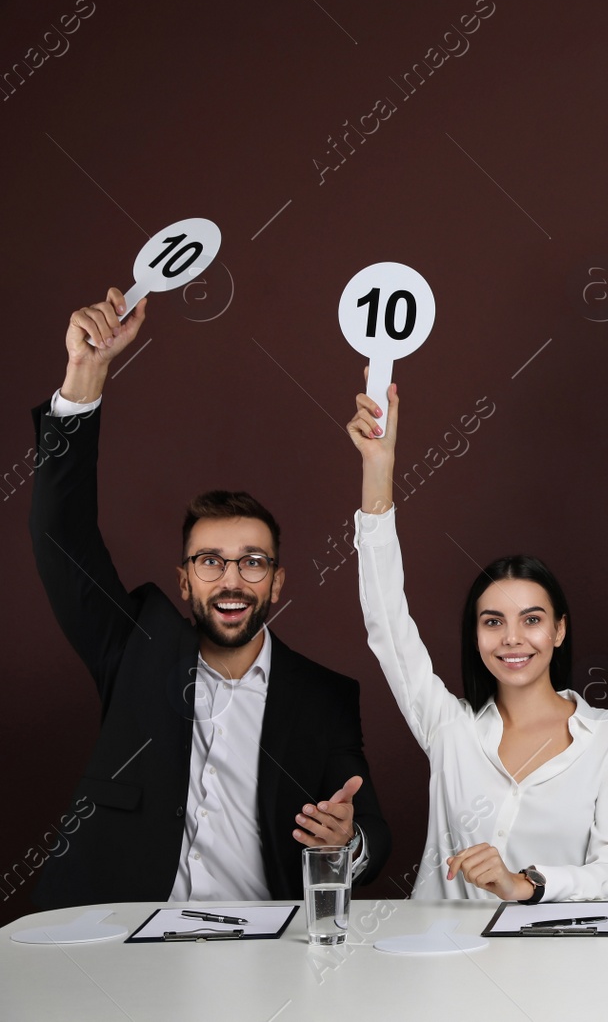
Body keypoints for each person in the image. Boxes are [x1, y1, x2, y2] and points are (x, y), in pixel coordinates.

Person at [27, 288, 391, 907]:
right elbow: (61, 536)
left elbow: (371, 832)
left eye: (253, 562)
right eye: (210, 562)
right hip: (119, 941)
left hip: (258, 950)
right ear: (184, 579)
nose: (231, 580)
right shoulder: (134, 647)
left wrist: (348, 840)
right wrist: (84, 377)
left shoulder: (324, 696)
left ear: (277, 582)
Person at [347, 384, 608, 901]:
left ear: (559, 630)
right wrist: (379, 468)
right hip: (441, 967)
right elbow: (387, 623)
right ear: (476, 634)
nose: (511, 639)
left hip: (555, 968)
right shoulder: (451, 729)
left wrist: (525, 884)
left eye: (531, 619)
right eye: (492, 622)